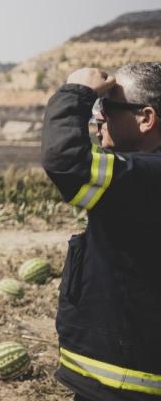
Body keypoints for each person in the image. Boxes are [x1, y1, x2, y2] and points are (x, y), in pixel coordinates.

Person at [41, 64, 161, 400]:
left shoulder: (148, 176)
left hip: (127, 388)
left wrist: (76, 94)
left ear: (146, 118)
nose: (98, 117)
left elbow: (68, 163)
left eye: (107, 106)